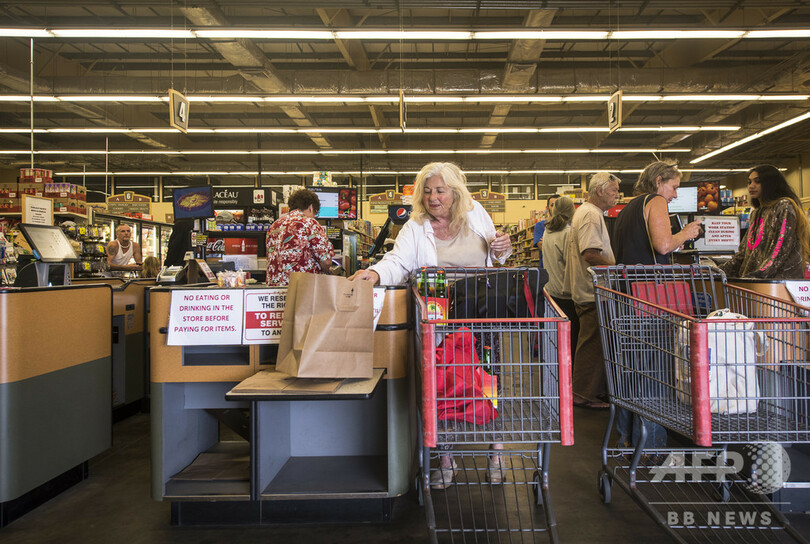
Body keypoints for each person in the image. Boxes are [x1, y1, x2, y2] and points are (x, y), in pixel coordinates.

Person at [350, 161, 512, 489]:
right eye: (426, 191)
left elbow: (496, 255)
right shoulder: (415, 226)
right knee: (443, 385)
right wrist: (376, 273)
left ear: (456, 192)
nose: (432, 197)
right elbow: (398, 261)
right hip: (439, 317)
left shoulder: (476, 214)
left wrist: (503, 249)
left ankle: (497, 453)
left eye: (440, 190)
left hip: (480, 314)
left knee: (488, 381)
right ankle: (446, 460)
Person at [612, 160, 703, 448]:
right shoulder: (656, 201)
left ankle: (626, 437)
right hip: (650, 296)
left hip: (626, 293)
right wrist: (687, 233)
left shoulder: (628, 208)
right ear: (659, 180)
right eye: (674, 187)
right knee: (653, 372)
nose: (675, 194)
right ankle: (649, 444)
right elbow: (662, 245)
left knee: (631, 369)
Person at [563, 172, 620, 409]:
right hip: (592, 290)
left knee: (591, 341)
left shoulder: (588, 212)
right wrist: (617, 268)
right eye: (614, 190)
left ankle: (588, 392)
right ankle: (582, 394)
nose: (618, 195)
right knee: (592, 344)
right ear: (600, 190)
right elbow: (590, 254)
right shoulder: (590, 214)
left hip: (587, 289)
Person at [720, 164, 810, 280]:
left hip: (779, 282)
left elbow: (780, 249)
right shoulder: (756, 213)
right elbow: (743, 253)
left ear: (771, 184)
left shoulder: (784, 206)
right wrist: (718, 271)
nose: (751, 186)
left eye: (757, 182)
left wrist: (757, 276)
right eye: (749, 182)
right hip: (756, 282)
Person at [265, 188, 334, 286]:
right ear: (311, 207)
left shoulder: (274, 226)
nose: (314, 216)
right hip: (301, 288)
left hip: (274, 290)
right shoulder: (309, 223)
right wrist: (327, 269)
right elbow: (326, 261)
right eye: (315, 213)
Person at [541, 196, 579, 360]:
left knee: (556, 339)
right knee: (572, 340)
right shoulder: (567, 233)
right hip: (567, 294)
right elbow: (571, 264)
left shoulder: (547, 232)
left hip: (551, 292)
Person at [533, 195, 559, 269]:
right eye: (552, 205)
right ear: (547, 208)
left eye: (558, 205)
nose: (555, 208)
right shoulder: (540, 226)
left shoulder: (569, 225)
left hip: (565, 270)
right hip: (546, 269)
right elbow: (543, 247)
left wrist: (547, 241)